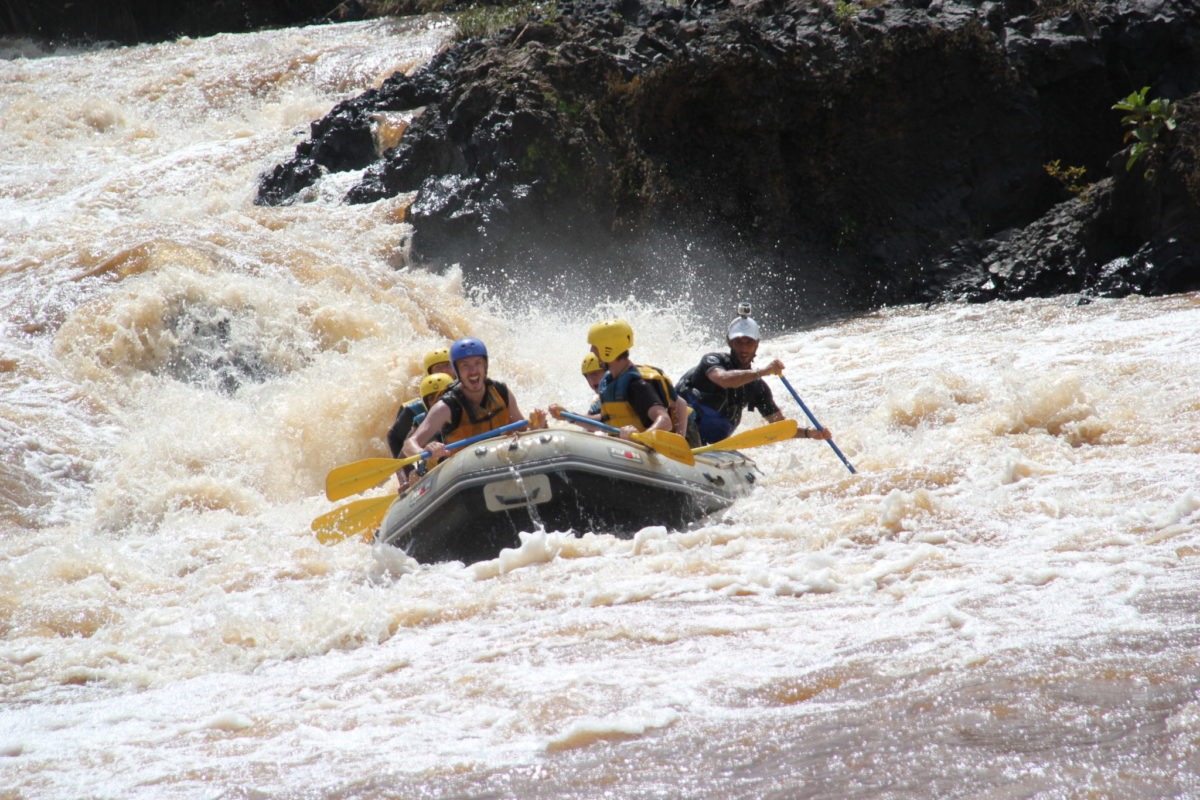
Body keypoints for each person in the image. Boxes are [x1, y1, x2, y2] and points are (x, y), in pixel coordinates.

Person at [675, 307, 833, 445]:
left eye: (749, 343)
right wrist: (762, 371)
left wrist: (809, 433)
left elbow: (778, 425)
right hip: (680, 428)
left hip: (710, 443)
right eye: (738, 342)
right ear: (729, 342)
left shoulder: (758, 388)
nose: (744, 348)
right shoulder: (712, 361)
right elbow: (723, 380)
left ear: (757, 343)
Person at [402, 337, 539, 473]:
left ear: (485, 366)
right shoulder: (446, 406)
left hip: (505, 460)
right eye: (465, 365)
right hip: (466, 472)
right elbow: (409, 445)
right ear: (457, 371)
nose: (473, 371)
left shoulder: (501, 392)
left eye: (477, 363)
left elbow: (522, 428)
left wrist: (537, 426)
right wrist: (425, 450)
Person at [550, 318, 679, 443]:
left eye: (595, 347)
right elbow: (604, 422)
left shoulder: (636, 385)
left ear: (608, 349)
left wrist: (642, 436)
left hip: (646, 452)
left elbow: (664, 420)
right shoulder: (609, 382)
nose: (591, 351)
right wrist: (568, 416)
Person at [386, 372, 453, 458]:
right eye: (431, 398)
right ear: (425, 403)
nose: (437, 401)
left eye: (442, 395)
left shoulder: (468, 408)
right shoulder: (422, 421)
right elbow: (406, 449)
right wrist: (422, 452)